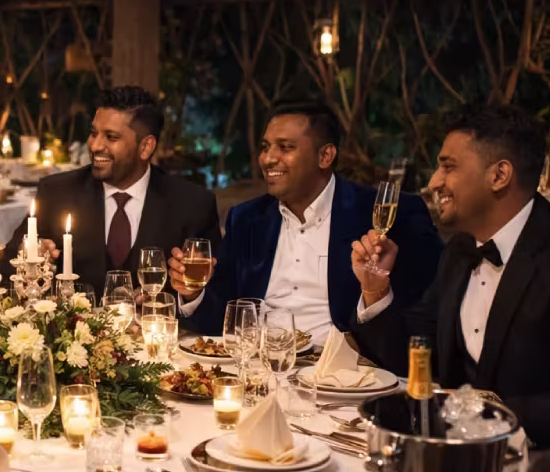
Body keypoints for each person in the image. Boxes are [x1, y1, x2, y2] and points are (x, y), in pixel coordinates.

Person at [352, 103, 550, 447]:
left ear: (499, 175)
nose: (435, 182)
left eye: (447, 167)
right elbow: (415, 355)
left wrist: (489, 416)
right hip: (452, 460)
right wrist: (375, 289)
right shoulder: (459, 252)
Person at [169, 100, 442, 348]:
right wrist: (193, 294)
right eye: (265, 147)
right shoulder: (247, 219)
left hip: (342, 376)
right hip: (255, 366)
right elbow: (221, 320)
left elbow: (420, 321)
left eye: (285, 147)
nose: (268, 159)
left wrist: (376, 291)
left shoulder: (380, 217)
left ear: (325, 156)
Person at [0, 85, 221, 293]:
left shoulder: (193, 205)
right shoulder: (58, 192)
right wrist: (31, 258)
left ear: (145, 147)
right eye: (94, 133)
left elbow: (216, 297)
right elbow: (5, 270)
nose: (95, 146)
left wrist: (191, 294)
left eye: (111, 137)